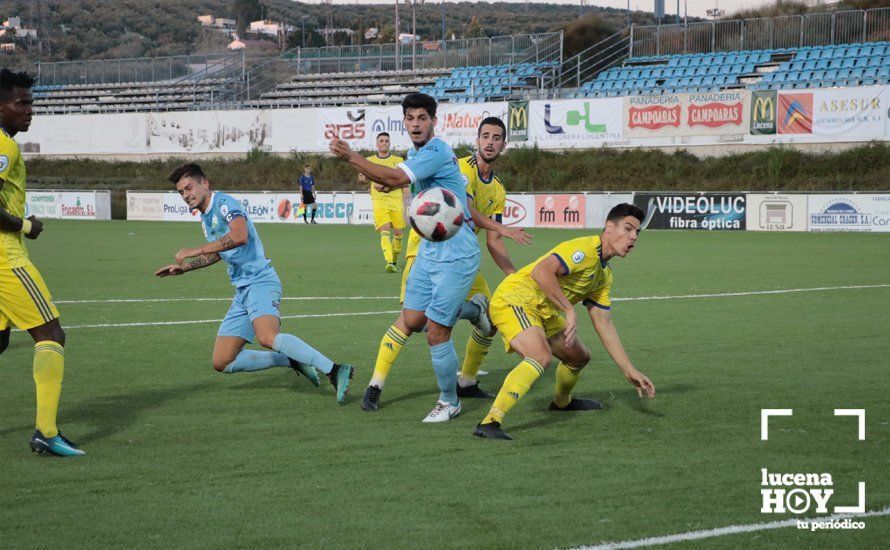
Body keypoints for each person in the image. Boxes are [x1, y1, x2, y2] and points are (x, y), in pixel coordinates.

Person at [329, 93, 528, 423]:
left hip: (456, 252)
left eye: (422, 118)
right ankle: (474, 309)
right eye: (410, 118)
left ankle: (450, 400)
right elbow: (396, 182)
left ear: (433, 121)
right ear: (404, 122)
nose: (416, 123)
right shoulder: (416, 153)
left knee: (437, 331)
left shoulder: (437, 150)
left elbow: (395, 178)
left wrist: (351, 156)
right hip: (428, 250)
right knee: (412, 320)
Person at [155, 163, 353, 402]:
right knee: (223, 361)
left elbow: (239, 236)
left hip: (261, 281)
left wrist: (195, 249)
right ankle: (292, 359)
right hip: (243, 290)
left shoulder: (224, 203)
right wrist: (185, 269)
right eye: (181, 192)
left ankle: (335, 369)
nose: (186, 195)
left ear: (204, 184)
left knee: (267, 337)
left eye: (189, 188)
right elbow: (219, 252)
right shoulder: (206, 216)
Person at [474, 203, 656, 440]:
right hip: (516, 298)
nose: (633, 237)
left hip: (542, 309)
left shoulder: (603, 275)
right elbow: (542, 272)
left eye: (637, 233)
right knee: (540, 356)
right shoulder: (585, 249)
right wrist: (569, 310)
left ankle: (561, 403)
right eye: (628, 228)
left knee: (579, 357)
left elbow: (603, 323)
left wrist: (628, 369)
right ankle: (490, 422)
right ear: (609, 227)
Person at [0, 69, 83, 457]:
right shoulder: (5, 146)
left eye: (31, 102)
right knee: (51, 335)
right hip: (6, 257)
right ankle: (46, 433)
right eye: (22, 103)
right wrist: (26, 225)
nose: (29, 110)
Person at [358, 132, 406, 273]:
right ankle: (389, 262)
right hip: (379, 201)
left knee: (398, 233)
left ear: (389, 143)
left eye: (386, 141)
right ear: (377, 144)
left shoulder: (398, 160)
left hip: (396, 199)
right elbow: (362, 179)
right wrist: (362, 180)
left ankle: (394, 260)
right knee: (384, 229)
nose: (384, 143)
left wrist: (389, 187)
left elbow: (403, 181)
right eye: (381, 141)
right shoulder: (369, 160)